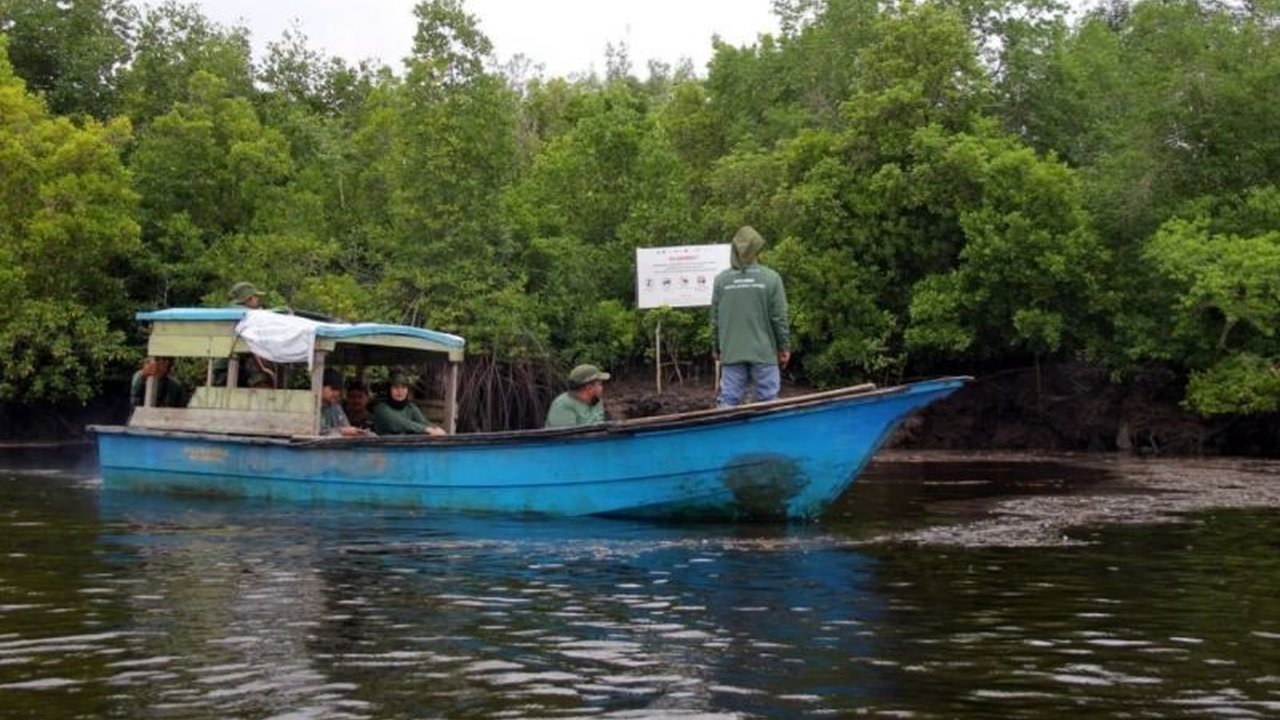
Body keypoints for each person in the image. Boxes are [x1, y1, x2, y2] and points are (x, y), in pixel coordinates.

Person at [710, 225, 791, 407]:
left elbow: (715, 318)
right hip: (764, 352)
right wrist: (784, 347)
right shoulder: (772, 278)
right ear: (757, 249)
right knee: (769, 401)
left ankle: (726, 435)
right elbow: (779, 318)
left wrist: (716, 347)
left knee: (728, 402)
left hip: (732, 353)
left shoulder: (721, 281)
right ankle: (770, 435)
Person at [371, 372, 447, 436]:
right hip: (384, 451)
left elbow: (423, 422)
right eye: (396, 388)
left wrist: (436, 429)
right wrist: (426, 429)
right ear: (389, 390)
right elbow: (401, 423)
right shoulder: (381, 409)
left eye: (403, 387)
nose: (400, 391)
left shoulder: (410, 407)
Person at [545, 364, 610, 428]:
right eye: (600, 384)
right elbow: (565, 437)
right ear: (589, 388)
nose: (602, 388)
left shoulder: (597, 400)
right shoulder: (562, 405)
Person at [320, 368, 370, 437]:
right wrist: (341, 431)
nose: (336, 393)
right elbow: (314, 433)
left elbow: (346, 427)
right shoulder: (310, 407)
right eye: (333, 389)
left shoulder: (335, 407)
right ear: (320, 386)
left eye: (338, 390)